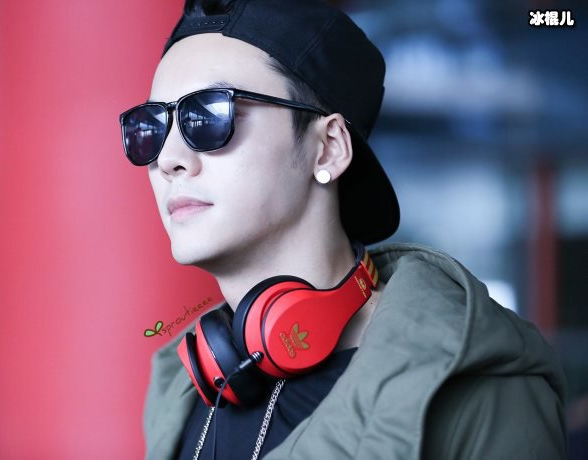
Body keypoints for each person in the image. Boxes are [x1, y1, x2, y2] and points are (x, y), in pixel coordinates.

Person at [119, 0, 567, 458]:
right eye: (150, 126)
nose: (168, 159)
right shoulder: (179, 392)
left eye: (209, 116)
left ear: (329, 148)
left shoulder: (477, 393)